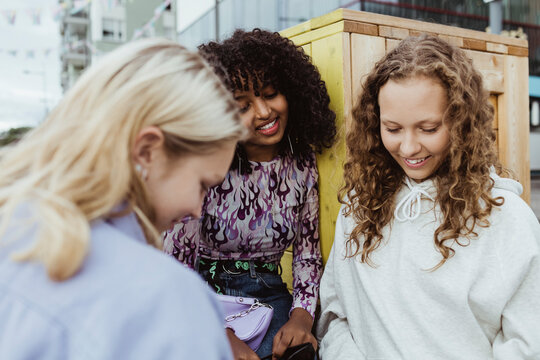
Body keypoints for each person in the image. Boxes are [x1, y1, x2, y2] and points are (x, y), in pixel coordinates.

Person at [0, 38, 247, 359]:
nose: (198, 209)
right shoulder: (167, 300)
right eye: (202, 184)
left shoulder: (13, 229)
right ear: (147, 151)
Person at [317, 34, 540, 359]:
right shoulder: (360, 207)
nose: (408, 148)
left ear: (462, 122)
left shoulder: (508, 220)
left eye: (429, 128)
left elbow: (528, 342)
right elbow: (335, 317)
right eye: (392, 129)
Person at [163, 29, 336, 360]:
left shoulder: (302, 162)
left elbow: (307, 256)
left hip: (270, 296)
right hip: (203, 296)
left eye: (270, 94)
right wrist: (216, 331)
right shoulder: (208, 166)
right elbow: (176, 268)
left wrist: (302, 316)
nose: (263, 112)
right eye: (243, 105)